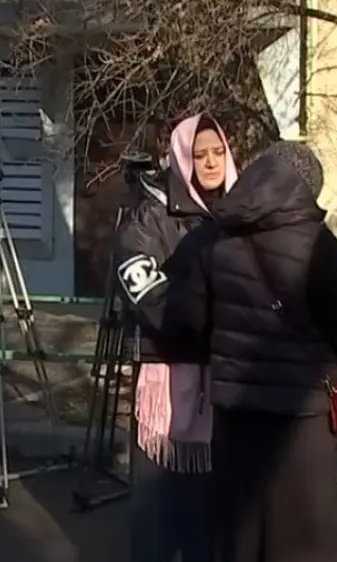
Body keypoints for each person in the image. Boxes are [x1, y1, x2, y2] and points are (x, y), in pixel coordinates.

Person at [182, 140, 337, 562]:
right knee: (302, 538)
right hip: (302, 414)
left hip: (234, 410)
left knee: (240, 534)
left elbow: (192, 319)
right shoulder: (318, 243)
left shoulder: (216, 236)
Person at [114, 114, 238, 562]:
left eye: (218, 152)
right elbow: (140, 283)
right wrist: (200, 319)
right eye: (200, 155)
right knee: (160, 501)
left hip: (224, 373)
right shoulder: (151, 213)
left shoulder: (241, 210)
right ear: (183, 159)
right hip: (166, 369)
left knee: (213, 501)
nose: (211, 163)